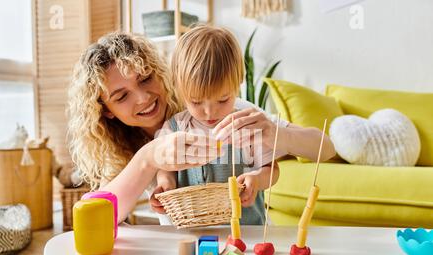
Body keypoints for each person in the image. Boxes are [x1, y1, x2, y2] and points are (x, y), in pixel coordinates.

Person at [67, 31, 336, 225]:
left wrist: (280, 136)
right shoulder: (132, 142)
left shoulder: (235, 113)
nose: (143, 98)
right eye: (121, 96)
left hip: (244, 234)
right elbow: (99, 213)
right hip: (186, 242)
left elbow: (325, 148)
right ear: (106, 112)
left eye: (146, 78)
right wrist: (148, 159)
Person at [150, 25, 280, 225]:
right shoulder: (174, 127)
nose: (210, 112)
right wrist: (165, 184)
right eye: (196, 101)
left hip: (247, 230)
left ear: (239, 82)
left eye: (223, 100)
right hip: (193, 230)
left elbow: (272, 169)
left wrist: (257, 179)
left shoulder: (248, 124)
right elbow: (164, 167)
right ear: (179, 88)